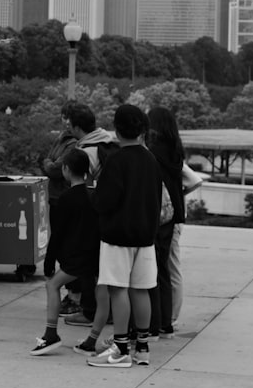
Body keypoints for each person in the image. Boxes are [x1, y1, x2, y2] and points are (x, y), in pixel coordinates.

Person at [87, 104, 161, 369]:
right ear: (142, 129)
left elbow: (104, 201)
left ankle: (120, 348)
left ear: (116, 129)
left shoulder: (116, 160)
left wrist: (92, 194)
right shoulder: (151, 159)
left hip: (118, 235)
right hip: (145, 237)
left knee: (118, 289)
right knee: (141, 290)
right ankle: (142, 347)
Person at [30, 147, 99, 355]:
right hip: (93, 255)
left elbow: (58, 233)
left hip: (75, 257)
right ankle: (93, 341)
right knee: (101, 295)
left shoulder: (66, 198)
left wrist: (49, 261)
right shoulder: (93, 195)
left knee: (52, 285)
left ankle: (51, 334)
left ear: (66, 170)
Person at [62, 104, 117, 327]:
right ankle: (105, 311)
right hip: (111, 213)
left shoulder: (87, 151)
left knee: (88, 265)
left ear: (76, 127)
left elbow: (82, 185)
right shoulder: (108, 142)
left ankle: (90, 312)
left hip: (93, 215)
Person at [41, 100, 85, 314]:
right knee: (60, 244)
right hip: (55, 196)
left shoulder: (74, 143)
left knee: (66, 246)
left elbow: (56, 168)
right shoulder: (61, 138)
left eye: (68, 118)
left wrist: (50, 164)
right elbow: (49, 160)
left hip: (65, 196)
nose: (65, 121)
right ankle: (71, 293)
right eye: (63, 116)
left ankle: (75, 296)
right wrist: (50, 164)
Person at [147, 107, 184, 340]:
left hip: (158, 216)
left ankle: (157, 321)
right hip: (173, 215)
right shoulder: (175, 150)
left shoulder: (153, 152)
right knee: (167, 270)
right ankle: (167, 321)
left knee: (155, 271)